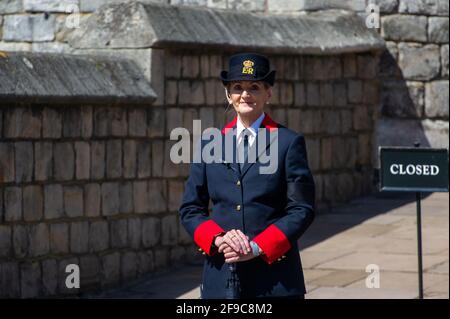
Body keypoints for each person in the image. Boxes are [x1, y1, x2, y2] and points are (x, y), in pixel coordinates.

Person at [179, 53, 315, 299]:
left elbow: (301, 209)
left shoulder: (288, 142)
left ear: (268, 94)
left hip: (275, 279)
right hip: (220, 277)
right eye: (237, 87)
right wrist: (218, 239)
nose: (245, 94)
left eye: (254, 87)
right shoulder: (210, 143)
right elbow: (190, 208)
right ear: (228, 95)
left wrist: (256, 247)